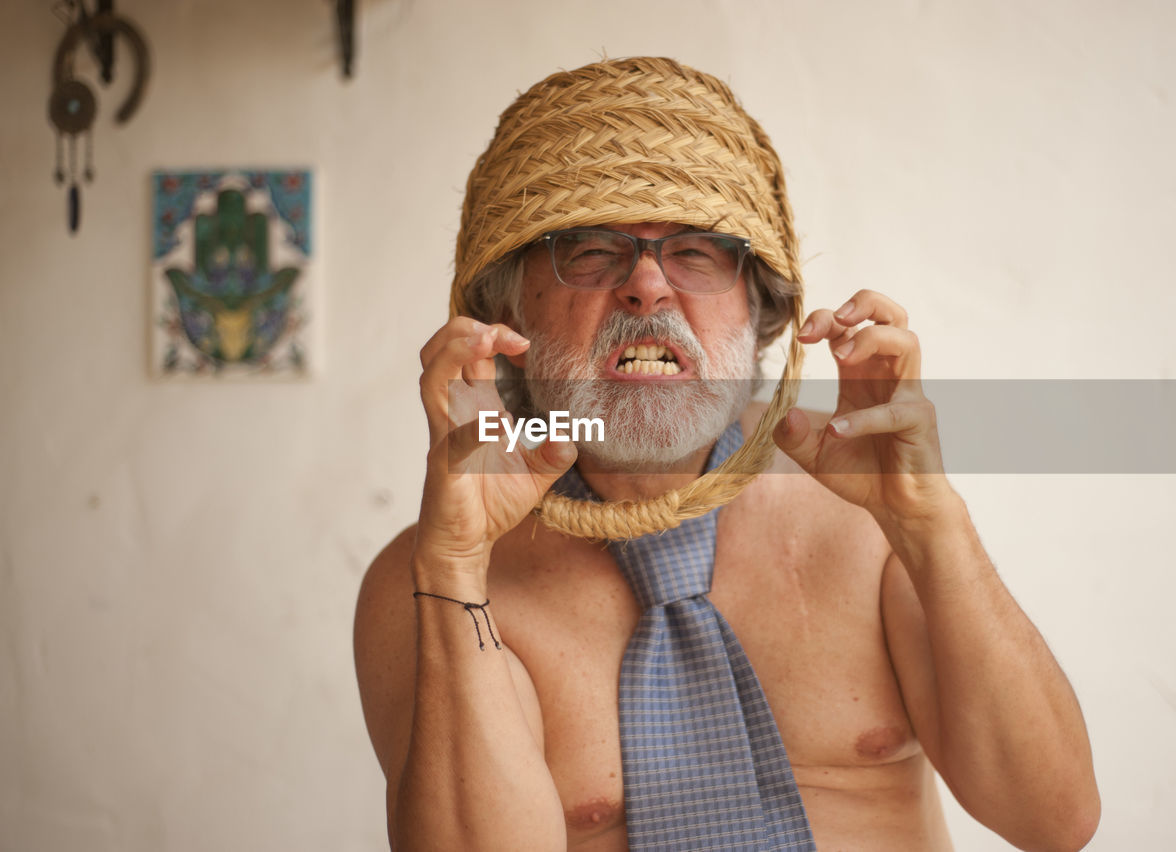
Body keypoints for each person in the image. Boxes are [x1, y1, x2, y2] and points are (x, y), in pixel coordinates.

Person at [354, 56, 1100, 851]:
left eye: (697, 251)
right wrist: (455, 564)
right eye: (591, 251)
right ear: (508, 309)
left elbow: (1053, 822)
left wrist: (931, 522)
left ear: (760, 304)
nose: (647, 287)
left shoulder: (869, 513)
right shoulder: (430, 577)